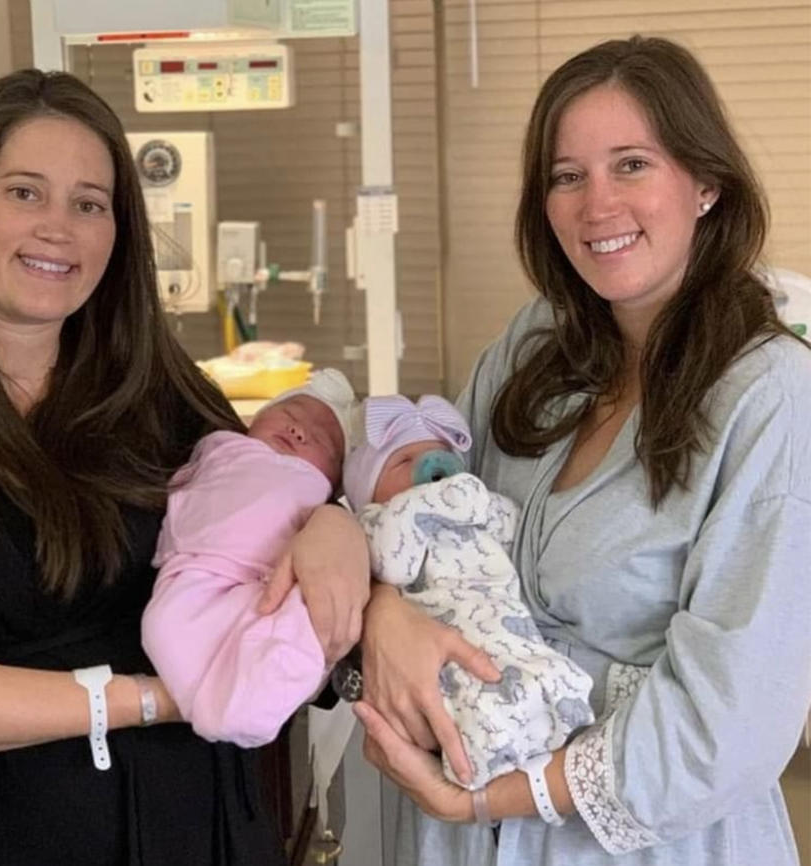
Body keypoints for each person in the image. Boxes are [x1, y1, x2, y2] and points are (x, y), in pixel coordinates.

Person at [0, 69, 368, 866]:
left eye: (89, 204)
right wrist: (163, 696)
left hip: (209, 830)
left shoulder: (160, 390)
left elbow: (281, 540)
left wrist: (334, 526)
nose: (58, 228)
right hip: (7, 838)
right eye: (25, 193)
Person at [352, 35, 811, 866]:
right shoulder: (535, 350)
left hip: (641, 841)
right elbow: (422, 518)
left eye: (631, 164)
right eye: (568, 176)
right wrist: (382, 611)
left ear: (706, 182)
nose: (596, 205)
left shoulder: (772, 396)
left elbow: (730, 725)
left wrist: (481, 798)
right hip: (457, 828)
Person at [340, 394, 594, 792]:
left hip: (503, 617)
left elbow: (513, 527)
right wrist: (425, 504)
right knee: (471, 696)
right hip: (444, 630)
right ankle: (478, 762)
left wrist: (470, 497)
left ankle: (564, 731)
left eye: (440, 453)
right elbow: (393, 564)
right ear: (368, 491)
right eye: (403, 462)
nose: (429, 466)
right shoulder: (378, 520)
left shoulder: (473, 508)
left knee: (544, 674)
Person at [142, 369, 355, 749]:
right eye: (290, 414)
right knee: (160, 626)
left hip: (265, 587)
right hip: (196, 571)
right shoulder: (216, 446)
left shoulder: (318, 496)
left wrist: (337, 519)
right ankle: (213, 704)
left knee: (296, 626)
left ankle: (250, 710)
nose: (299, 431)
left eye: (322, 441)